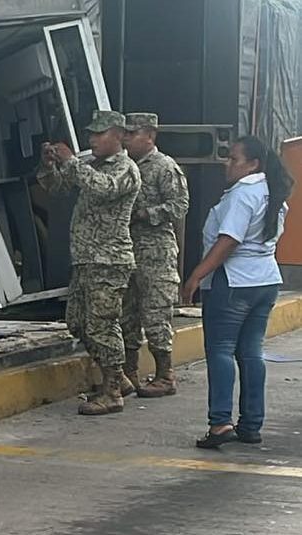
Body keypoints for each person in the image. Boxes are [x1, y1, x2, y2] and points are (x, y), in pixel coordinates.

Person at [182, 135, 291, 449]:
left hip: (234, 282)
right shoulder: (273, 192)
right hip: (265, 280)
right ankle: (251, 424)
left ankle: (220, 423)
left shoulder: (243, 193)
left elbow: (229, 240)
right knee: (251, 352)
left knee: (221, 350)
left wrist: (196, 275)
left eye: (233, 159)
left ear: (253, 164)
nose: (226, 164)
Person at [38, 110, 141, 416]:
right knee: (77, 322)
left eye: (100, 133)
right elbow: (56, 187)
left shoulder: (126, 168)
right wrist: (50, 166)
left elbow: (103, 188)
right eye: (91, 134)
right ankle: (117, 377)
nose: (92, 139)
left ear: (119, 136)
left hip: (109, 260)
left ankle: (112, 391)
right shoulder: (91, 166)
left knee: (103, 326)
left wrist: (71, 161)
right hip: (86, 259)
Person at [122, 113, 190, 397]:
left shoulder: (164, 166)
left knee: (156, 314)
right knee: (126, 314)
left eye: (132, 133)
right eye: (125, 134)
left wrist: (145, 214)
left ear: (149, 136)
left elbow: (179, 205)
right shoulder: (124, 166)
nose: (126, 139)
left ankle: (165, 374)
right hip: (127, 250)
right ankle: (128, 373)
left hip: (156, 253)